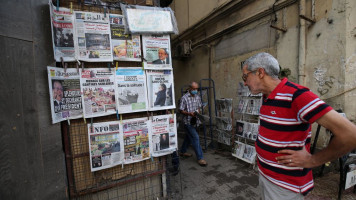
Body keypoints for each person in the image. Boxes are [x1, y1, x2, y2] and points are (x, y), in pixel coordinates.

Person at [242, 52, 356, 199]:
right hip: (266, 176)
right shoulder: (267, 96)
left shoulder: (297, 95)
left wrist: (313, 160)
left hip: (285, 186)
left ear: (260, 72)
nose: (245, 82)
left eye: (245, 77)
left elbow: (350, 135)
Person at [179, 82, 207, 166]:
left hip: (195, 121)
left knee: (188, 137)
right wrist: (188, 113)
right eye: (194, 89)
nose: (195, 90)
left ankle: (182, 151)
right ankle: (200, 158)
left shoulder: (198, 97)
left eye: (197, 89)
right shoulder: (184, 98)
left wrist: (198, 112)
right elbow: (180, 110)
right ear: (190, 88)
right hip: (187, 121)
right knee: (195, 137)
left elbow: (199, 107)